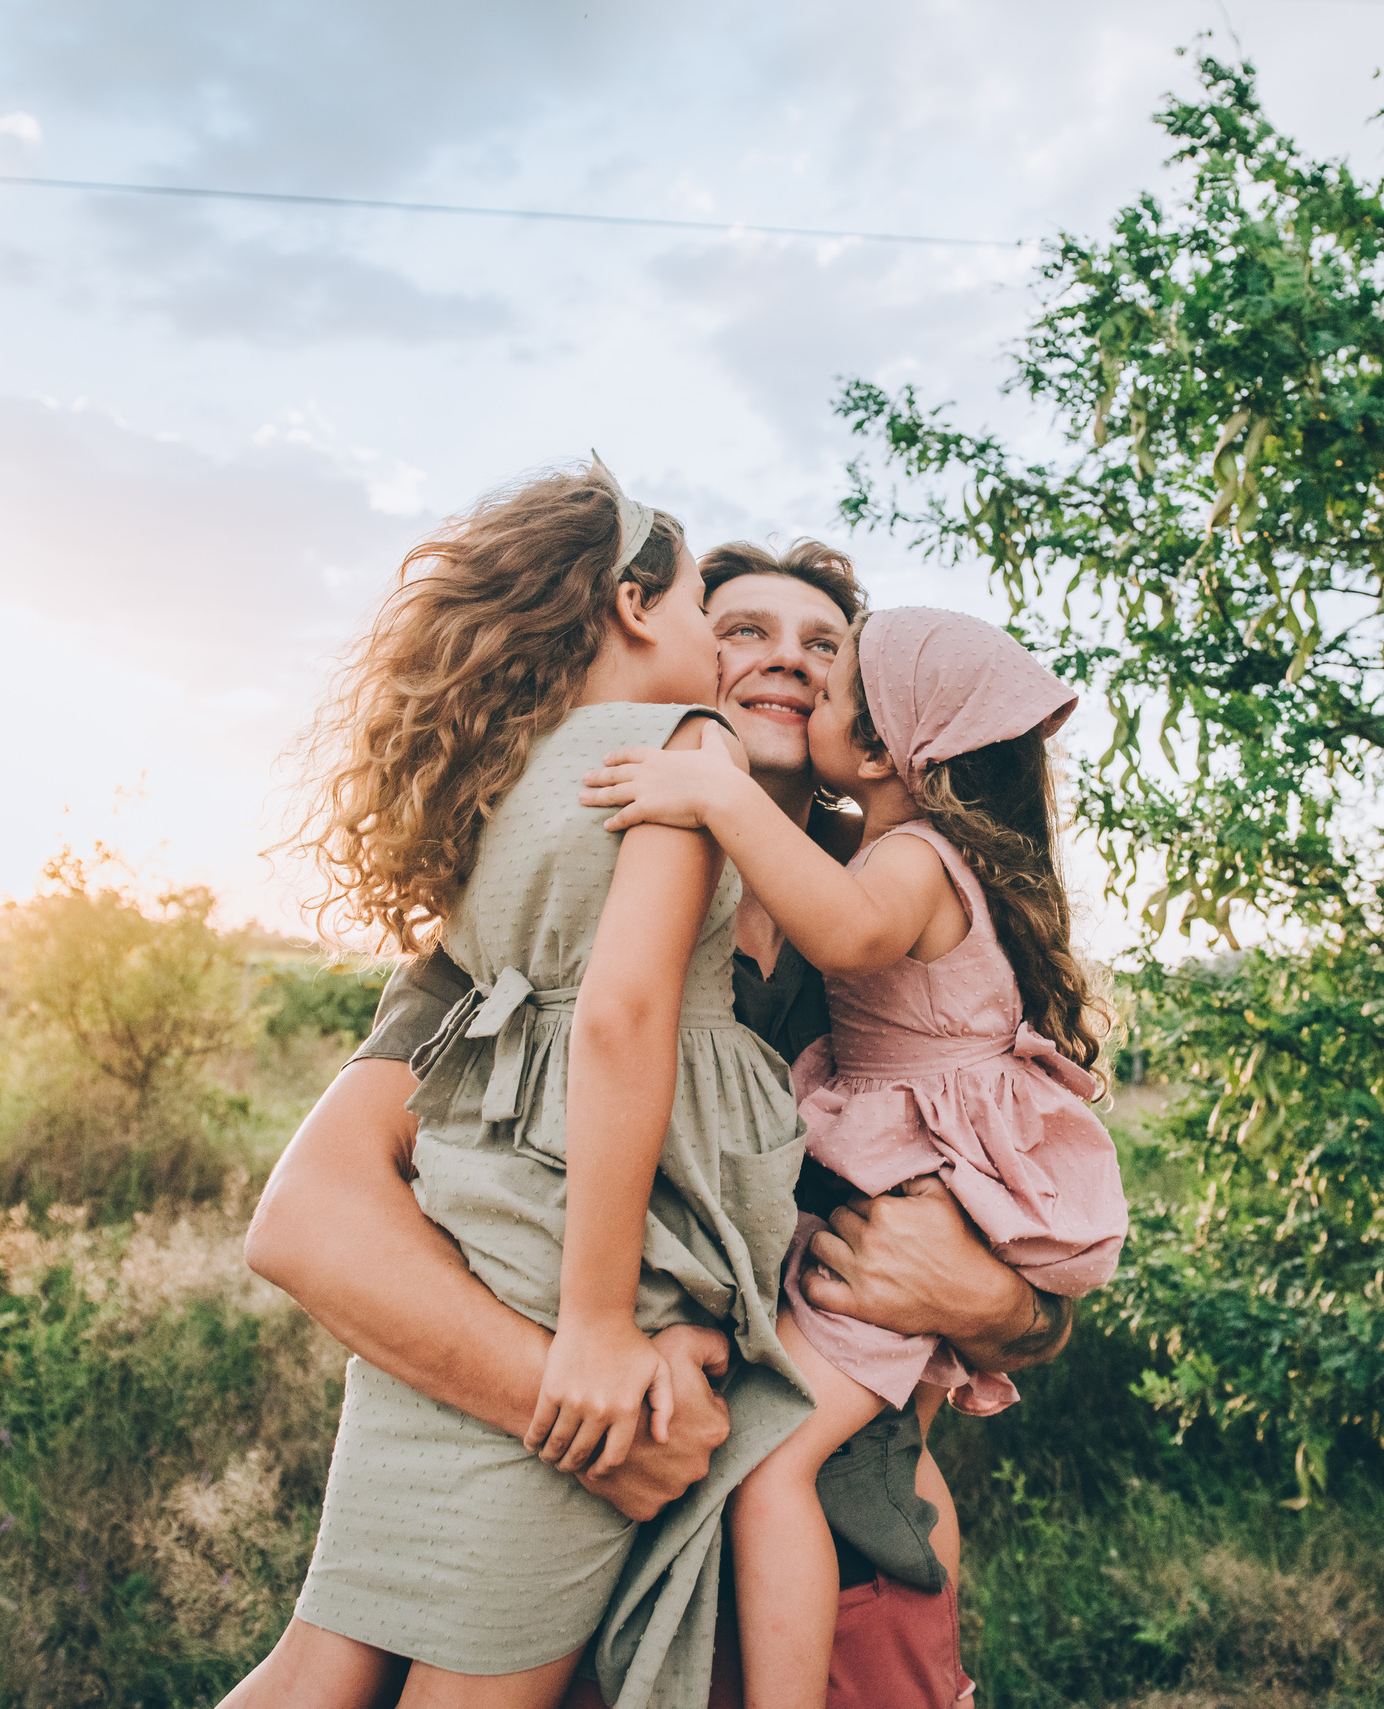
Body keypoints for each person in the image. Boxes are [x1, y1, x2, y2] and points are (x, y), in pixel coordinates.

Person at [243, 543, 1072, 1709]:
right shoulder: (560, 899)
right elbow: (308, 1220)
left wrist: (1005, 1308)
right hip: (592, 1547)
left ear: (871, 719)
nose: (787, 655)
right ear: (679, 655)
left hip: (846, 1563)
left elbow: (1036, 1194)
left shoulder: (906, 907)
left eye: (824, 644)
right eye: (741, 628)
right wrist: (604, 1410)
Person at [223, 458, 812, 1709]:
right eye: (718, 612)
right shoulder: (685, 749)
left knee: (314, 1666)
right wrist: (597, 1327)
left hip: (471, 1247)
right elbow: (625, 1013)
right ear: (637, 602)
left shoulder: (504, 789)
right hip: (571, 1296)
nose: (729, 651)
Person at [582, 607, 1128, 1709]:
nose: (800, 675)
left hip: (910, 1181)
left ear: (880, 753)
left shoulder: (907, 859)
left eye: (828, 673)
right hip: (905, 1171)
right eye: (739, 628)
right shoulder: (907, 850)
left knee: (777, 1462)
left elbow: (848, 936)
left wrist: (718, 790)